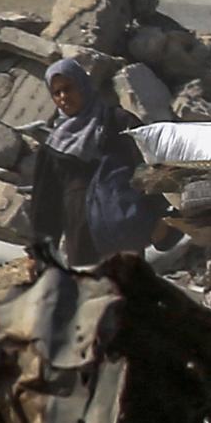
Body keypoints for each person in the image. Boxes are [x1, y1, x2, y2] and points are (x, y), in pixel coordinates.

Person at [27, 57, 155, 266]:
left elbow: (150, 170)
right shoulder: (54, 144)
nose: (63, 97)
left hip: (122, 229)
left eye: (68, 88)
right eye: (56, 93)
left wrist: (156, 218)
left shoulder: (118, 122)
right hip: (81, 237)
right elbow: (45, 204)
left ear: (83, 85)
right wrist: (39, 252)